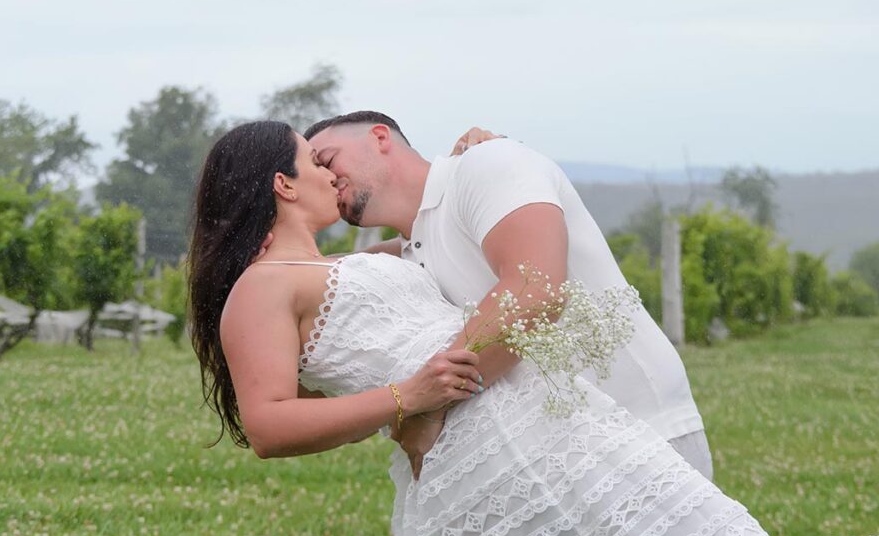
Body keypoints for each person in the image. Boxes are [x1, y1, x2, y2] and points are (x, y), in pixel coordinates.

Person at [190, 120, 831, 536]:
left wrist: (482, 161)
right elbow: (270, 423)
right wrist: (404, 401)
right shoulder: (260, 289)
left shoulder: (358, 263)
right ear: (282, 183)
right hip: (486, 464)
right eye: (315, 163)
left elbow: (446, 240)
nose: (330, 179)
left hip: (570, 431)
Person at [303, 111, 714, 483]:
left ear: (379, 136)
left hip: (640, 431)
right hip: (549, 459)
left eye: (326, 159)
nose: (324, 177)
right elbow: (311, 279)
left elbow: (536, 290)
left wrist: (428, 406)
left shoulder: (487, 165)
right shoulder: (409, 250)